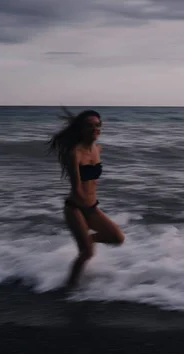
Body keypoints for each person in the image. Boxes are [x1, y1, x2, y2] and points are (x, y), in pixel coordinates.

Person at [48, 107, 125, 289]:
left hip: (91, 206)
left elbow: (92, 173)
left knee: (117, 237)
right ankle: (69, 289)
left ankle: (88, 240)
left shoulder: (97, 149)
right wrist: (88, 211)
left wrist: (92, 208)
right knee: (87, 253)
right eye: (89, 126)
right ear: (81, 129)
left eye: (97, 125)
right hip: (75, 207)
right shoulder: (75, 153)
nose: (95, 129)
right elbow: (76, 188)